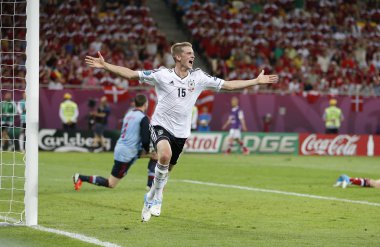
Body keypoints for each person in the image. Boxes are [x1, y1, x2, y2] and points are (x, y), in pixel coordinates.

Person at [85, 42, 278, 222]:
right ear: (178, 57)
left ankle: (150, 196)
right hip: (160, 125)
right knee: (164, 155)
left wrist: (255, 81)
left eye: (193, 54)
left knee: (166, 172)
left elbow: (228, 85)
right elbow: (131, 75)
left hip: (181, 132)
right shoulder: (162, 75)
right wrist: (106, 66)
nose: (192, 56)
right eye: (188, 53)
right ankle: (158, 197)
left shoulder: (199, 77)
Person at [73, 94, 156, 190]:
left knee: (155, 155)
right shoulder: (143, 118)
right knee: (111, 183)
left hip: (122, 148)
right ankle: (81, 177)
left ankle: (150, 185)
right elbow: (145, 140)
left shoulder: (128, 114)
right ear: (146, 104)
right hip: (128, 153)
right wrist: (148, 150)